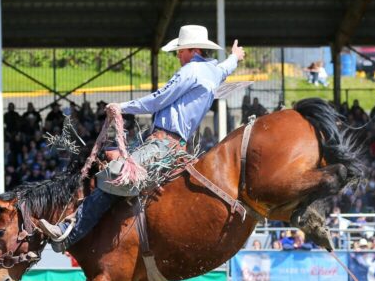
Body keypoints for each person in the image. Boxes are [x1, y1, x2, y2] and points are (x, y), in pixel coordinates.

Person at [38, 25, 245, 252]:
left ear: (194, 50)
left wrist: (122, 106)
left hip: (163, 144)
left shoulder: (189, 71)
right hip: (173, 144)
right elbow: (226, 68)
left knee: (115, 175)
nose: (177, 54)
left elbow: (158, 99)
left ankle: (69, 233)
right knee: (109, 156)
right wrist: (235, 57)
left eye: (181, 50)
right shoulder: (213, 71)